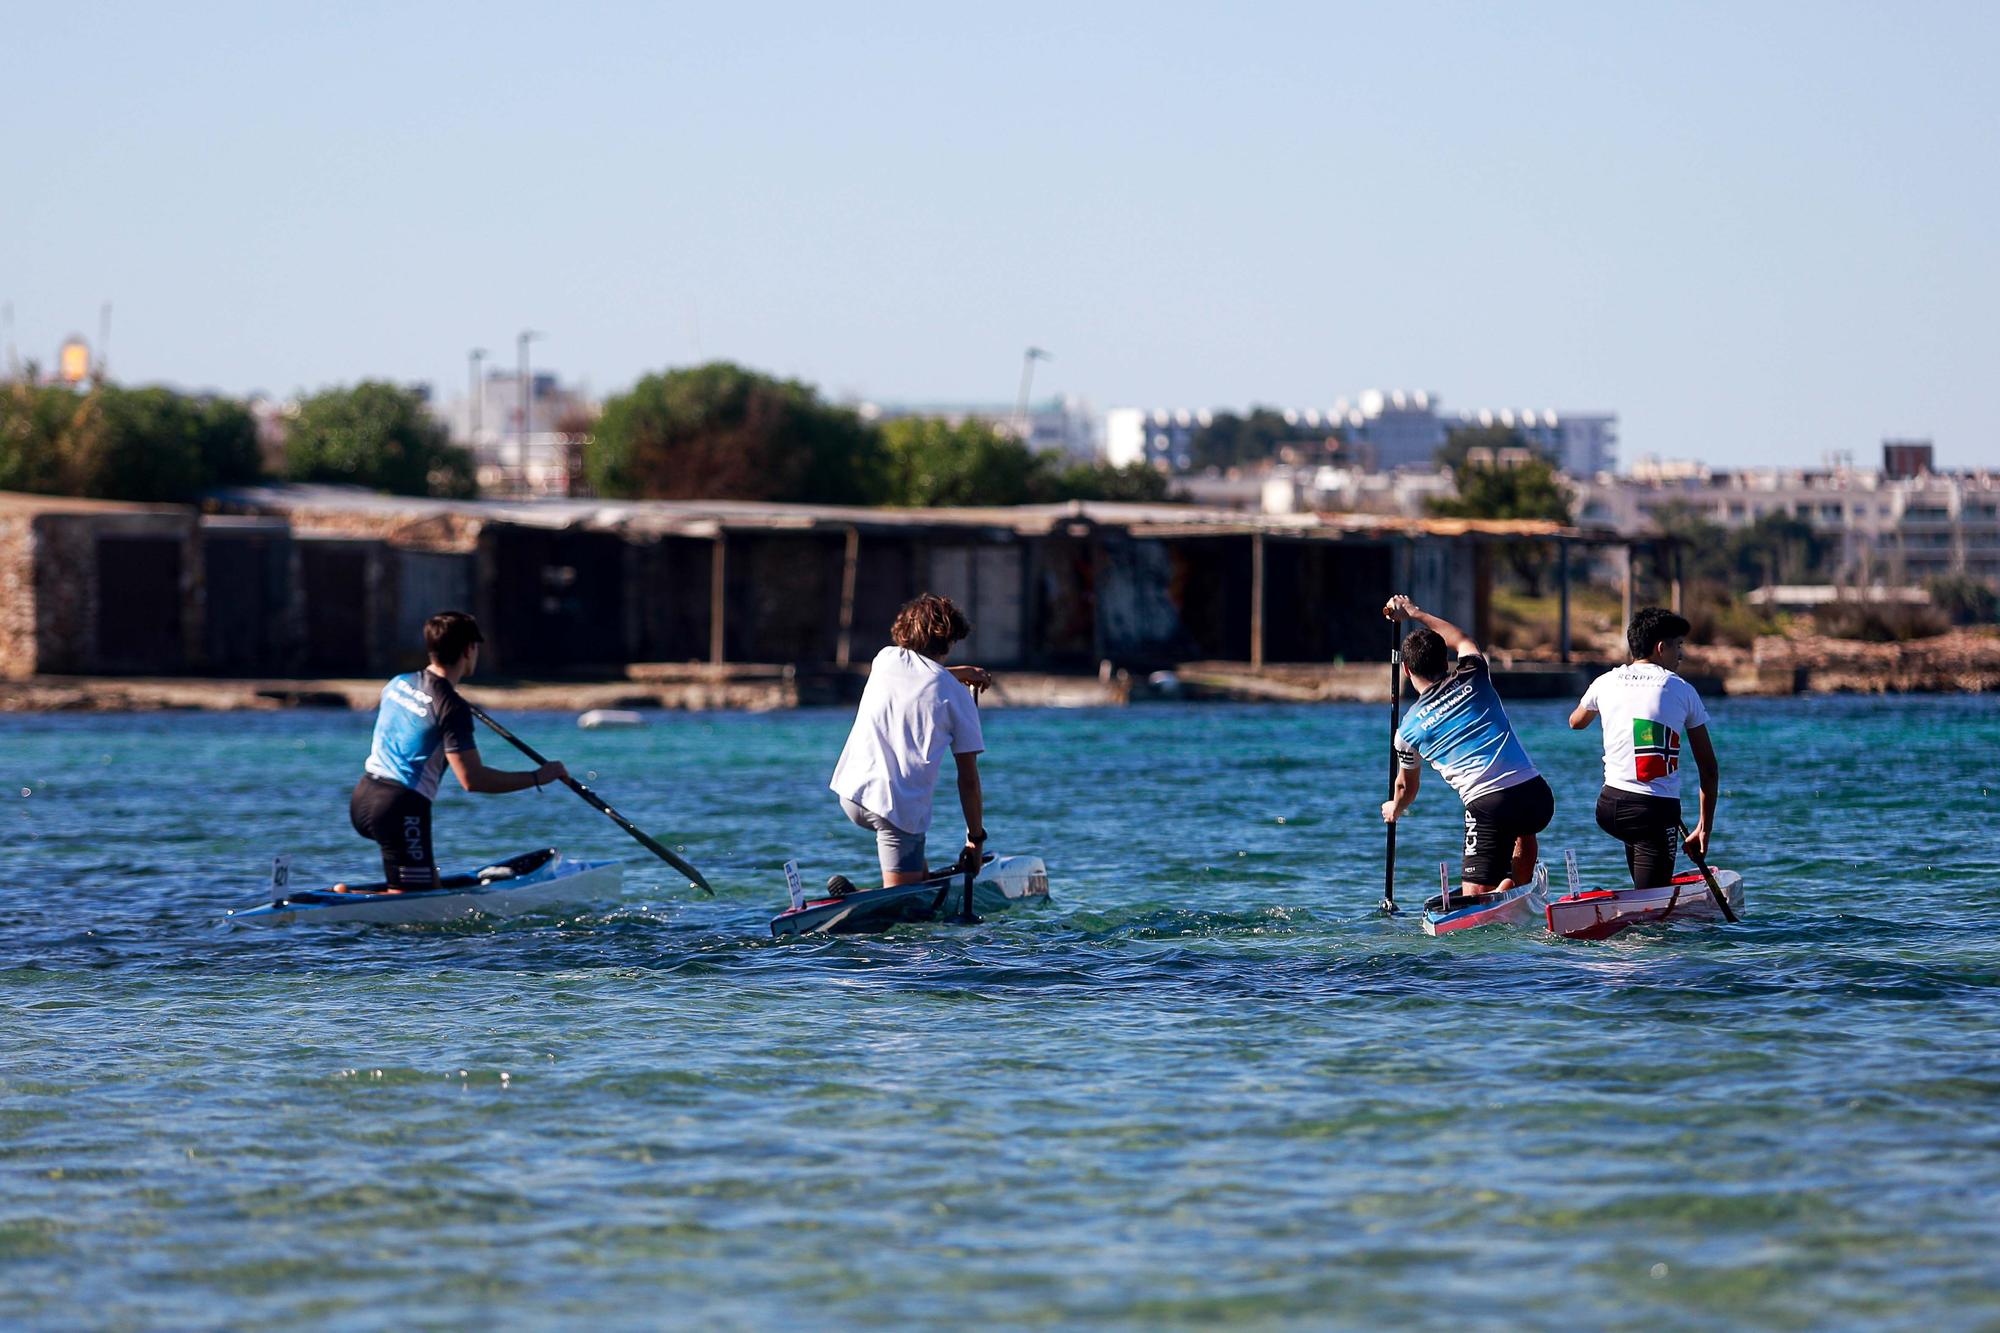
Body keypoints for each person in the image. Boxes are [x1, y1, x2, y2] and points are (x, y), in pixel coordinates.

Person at [342, 611, 566, 892]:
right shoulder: (452, 707)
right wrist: (537, 777)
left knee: (423, 886)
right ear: (469, 649)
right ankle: (346, 908)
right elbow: (472, 780)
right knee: (415, 905)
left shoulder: (398, 682)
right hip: (401, 808)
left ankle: (343, 894)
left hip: (364, 795)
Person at [1380, 594, 1555, 898]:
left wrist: (1395, 808)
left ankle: (1501, 891)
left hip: (1489, 806)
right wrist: (1414, 612)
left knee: (1474, 894)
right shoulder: (1475, 673)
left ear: (1406, 671)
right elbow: (1460, 637)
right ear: (1445, 661)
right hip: (1537, 796)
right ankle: (1519, 886)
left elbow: (1406, 788)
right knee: (1523, 827)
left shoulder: (1406, 731)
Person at [828, 593, 991, 891]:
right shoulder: (957, 698)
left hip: (851, 793)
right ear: (949, 640)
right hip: (895, 809)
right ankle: (862, 898)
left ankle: (915, 879)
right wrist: (975, 839)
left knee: (918, 877)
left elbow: (919, 677)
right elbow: (968, 780)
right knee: (905, 904)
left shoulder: (885, 660)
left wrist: (960, 674)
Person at [1569, 606, 1718, 890]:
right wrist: (1704, 827)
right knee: (1652, 913)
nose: (1681, 655)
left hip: (1609, 808)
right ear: (1661, 648)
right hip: (1653, 812)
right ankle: (1642, 916)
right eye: (1678, 646)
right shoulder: (1681, 689)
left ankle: (1633, 903)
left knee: (1643, 863)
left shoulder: (1605, 681)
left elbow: (1575, 722)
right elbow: (1709, 770)